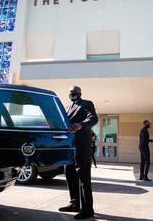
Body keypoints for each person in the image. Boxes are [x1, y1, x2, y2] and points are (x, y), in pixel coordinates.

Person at [59, 86, 98, 220]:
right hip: (69, 147)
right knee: (69, 174)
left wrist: (80, 125)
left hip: (82, 146)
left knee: (83, 177)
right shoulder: (67, 108)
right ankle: (74, 203)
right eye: (70, 92)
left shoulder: (87, 103)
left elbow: (93, 119)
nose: (72, 93)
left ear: (80, 93)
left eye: (74, 91)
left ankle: (87, 210)